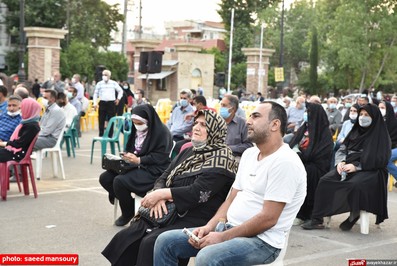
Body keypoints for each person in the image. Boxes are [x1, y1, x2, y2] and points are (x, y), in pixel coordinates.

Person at [154, 101, 307, 266]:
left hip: (262, 242)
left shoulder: (285, 162)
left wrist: (221, 237)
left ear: (275, 125)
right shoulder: (250, 154)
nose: (248, 121)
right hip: (228, 228)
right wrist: (209, 227)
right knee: (165, 242)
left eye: (255, 116)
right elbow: (231, 199)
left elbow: (268, 219)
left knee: (207, 257)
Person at [102, 109, 238, 266]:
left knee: (150, 242)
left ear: (215, 130)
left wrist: (163, 194)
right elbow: (164, 176)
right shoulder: (189, 151)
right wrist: (159, 196)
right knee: (129, 235)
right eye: (195, 123)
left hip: (197, 215)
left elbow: (197, 193)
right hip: (170, 209)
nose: (196, 127)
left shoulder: (222, 159)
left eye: (204, 125)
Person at [302, 103, 391, 230]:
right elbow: (342, 149)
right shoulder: (354, 132)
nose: (362, 117)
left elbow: (381, 159)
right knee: (325, 181)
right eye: (361, 114)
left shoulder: (380, 135)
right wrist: (340, 162)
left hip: (371, 170)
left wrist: (358, 167)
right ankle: (317, 219)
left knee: (355, 185)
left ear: (374, 117)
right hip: (347, 165)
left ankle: (354, 214)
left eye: (366, 115)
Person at [99, 104, 173, 226]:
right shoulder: (137, 131)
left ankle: (127, 212)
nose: (137, 126)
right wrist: (127, 156)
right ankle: (127, 201)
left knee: (119, 181)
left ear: (148, 120)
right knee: (105, 178)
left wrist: (139, 160)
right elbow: (131, 148)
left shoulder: (162, 133)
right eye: (134, 122)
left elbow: (161, 157)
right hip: (135, 165)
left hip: (154, 170)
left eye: (139, 123)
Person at [288, 102, 333, 224]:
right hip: (301, 161)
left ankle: (304, 214)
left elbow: (321, 156)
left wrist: (303, 155)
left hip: (316, 166)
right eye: (305, 112)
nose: (306, 114)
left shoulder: (324, 133)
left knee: (307, 173)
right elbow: (293, 143)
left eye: (309, 112)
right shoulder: (304, 129)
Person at [219, 94, 253, 158]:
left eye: (224, 105)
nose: (221, 108)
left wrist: (229, 148)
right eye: (221, 105)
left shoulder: (243, 124)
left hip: (235, 159)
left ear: (233, 109)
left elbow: (249, 145)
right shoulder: (217, 122)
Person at [93, 69, 123, 136]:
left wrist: (118, 99)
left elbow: (120, 91)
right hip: (102, 102)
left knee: (111, 119)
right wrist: (95, 103)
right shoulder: (99, 84)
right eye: (103, 75)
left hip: (111, 103)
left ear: (109, 76)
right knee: (101, 119)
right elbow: (95, 94)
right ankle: (101, 134)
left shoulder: (113, 83)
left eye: (106, 75)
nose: (104, 76)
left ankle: (110, 134)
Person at [378, 101, 397, 187]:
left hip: (394, 148)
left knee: (386, 159)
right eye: (379, 108)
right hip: (382, 148)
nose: (380, 110)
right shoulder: (377, 122)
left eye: (382, 108)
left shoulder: (394, 123)